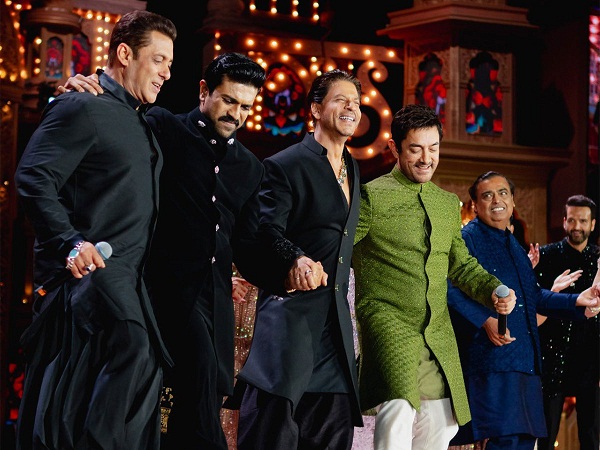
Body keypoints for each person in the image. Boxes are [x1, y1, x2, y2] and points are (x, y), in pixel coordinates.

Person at [60, 52, 267, 449]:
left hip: (214, 309)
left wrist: (290, 261)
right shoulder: (162, 127)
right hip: (159, 295)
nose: (236, 114)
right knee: (195, 410)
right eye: (228, 100)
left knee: (194, 412)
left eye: (245, 106)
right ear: (204, 91)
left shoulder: (249, 167)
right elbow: (110, 129)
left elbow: (249, 244)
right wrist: (79, 92)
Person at [14, 10, 177, 450]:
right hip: (93, 271)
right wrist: (70, 243)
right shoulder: (80, 105)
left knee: (142, 369)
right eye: (158, 60)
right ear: (125, 53)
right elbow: (33, 177)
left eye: (170, 63)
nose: (167, 73)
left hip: (132, 275)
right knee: (132, 348)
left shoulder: (141, 119)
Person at [351, 104, 517, 450]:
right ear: (395, 148)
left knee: (442, 422)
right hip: (387, 322)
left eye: (433, 148)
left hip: (436, 330)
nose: (426, 159)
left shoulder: (445, 203)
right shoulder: (370, 196)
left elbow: (461, 265)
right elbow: (336, 251)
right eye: (415, 149)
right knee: (398, 409)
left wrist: (494, 289)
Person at [234, 69, 364, 450]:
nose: (351, 107)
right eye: (340, 100)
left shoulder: (353, 168)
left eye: (356, 102)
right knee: (271, 435)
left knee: (333, 436)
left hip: (335, 337)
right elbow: (266, 230)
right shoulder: (285, 164)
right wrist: (295, 258)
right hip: (290, 327)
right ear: (316, 109)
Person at [446, 172, 600, 450]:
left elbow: (534, 296)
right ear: (475, 205)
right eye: (487, 195)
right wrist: (485, 321)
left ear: (513, 201)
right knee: (501, 442)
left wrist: (578, 300)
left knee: (524, 442)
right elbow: (446, 288)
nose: (497, 200)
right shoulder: (467, 239)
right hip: (492, 366)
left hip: (526, 366)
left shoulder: (514, 246)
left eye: (503, 193)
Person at [534, 195, 599, 450]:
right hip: (552, 359)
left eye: (582, 221)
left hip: (591, 361)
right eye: (571, 220)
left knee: (591, 436)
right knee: (546, 436)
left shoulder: (599, 258)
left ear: (592, 224)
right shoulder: (546, 255)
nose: (576, 226)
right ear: (564, 222)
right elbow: (534, 302)